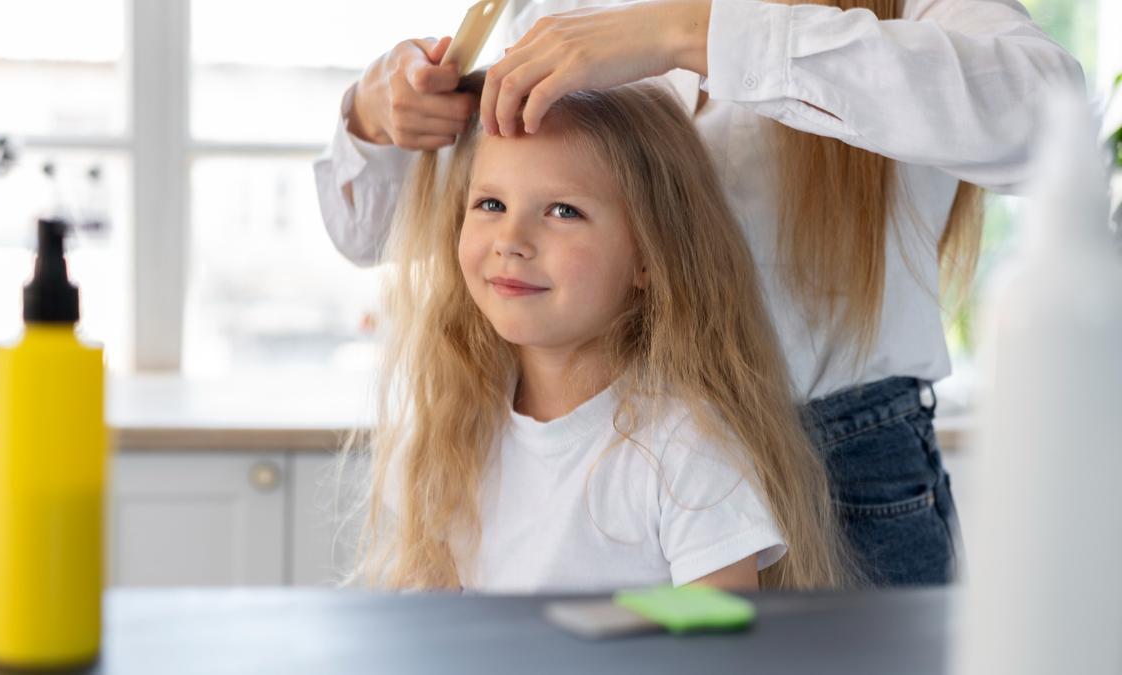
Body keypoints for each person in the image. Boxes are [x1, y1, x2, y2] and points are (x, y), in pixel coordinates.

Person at [316, 0, 1084, 585]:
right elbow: (383, 232)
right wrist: (380, 116)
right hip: (582, 443)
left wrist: (693, 33)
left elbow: (1051, 121)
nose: (515, 233)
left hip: (844, 477)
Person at [356, 75, 855, 592]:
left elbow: (719, 624)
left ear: (648, 256)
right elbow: (435, 616)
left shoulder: (685, 449)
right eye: (491, 205)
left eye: (563, 211)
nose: (511, 240)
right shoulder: (455, 428)